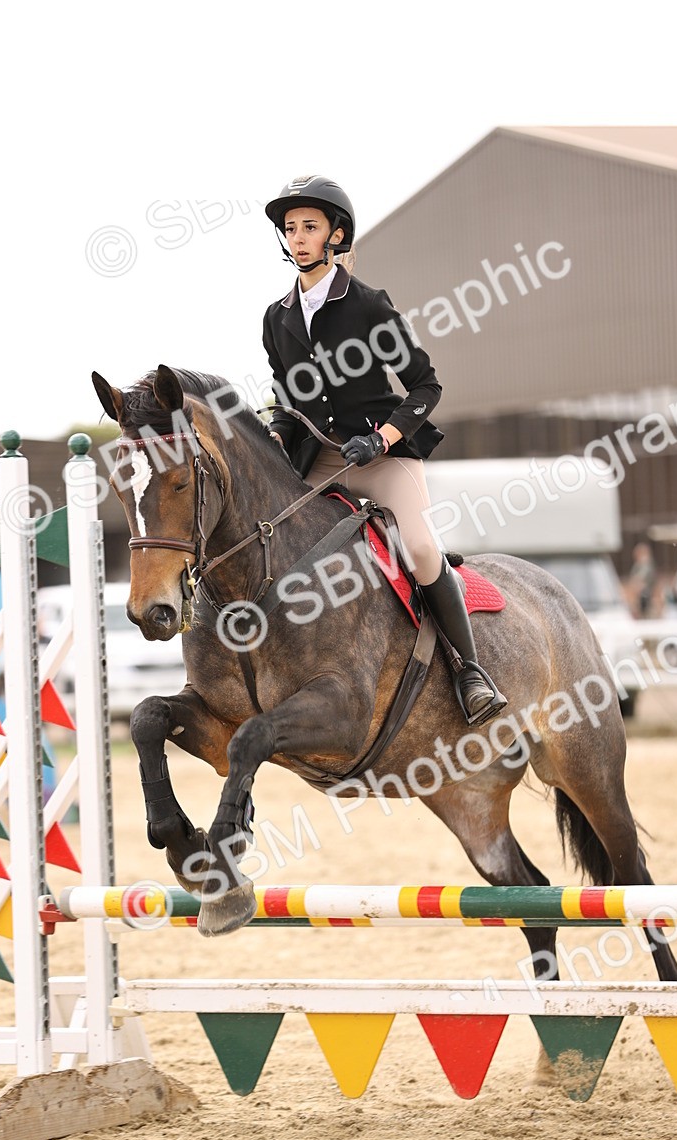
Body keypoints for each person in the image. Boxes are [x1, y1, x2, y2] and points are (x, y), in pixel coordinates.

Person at [262, 174, 506, 726]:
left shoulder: (369, 305)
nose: (298, 237)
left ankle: (470, 672)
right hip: (320, 463)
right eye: (291, 228)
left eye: (310, 227)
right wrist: (277, 433)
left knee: (419, 548)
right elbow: (286, 396)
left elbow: (426, 386)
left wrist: (382, 437)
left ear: (335, 235)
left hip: (382, 457)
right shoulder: (275, 318)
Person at [627, 541, 657, 618]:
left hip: (646, 600)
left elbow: (639, 582)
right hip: (639, 601)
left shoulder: (646, 565)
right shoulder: (638, 565)